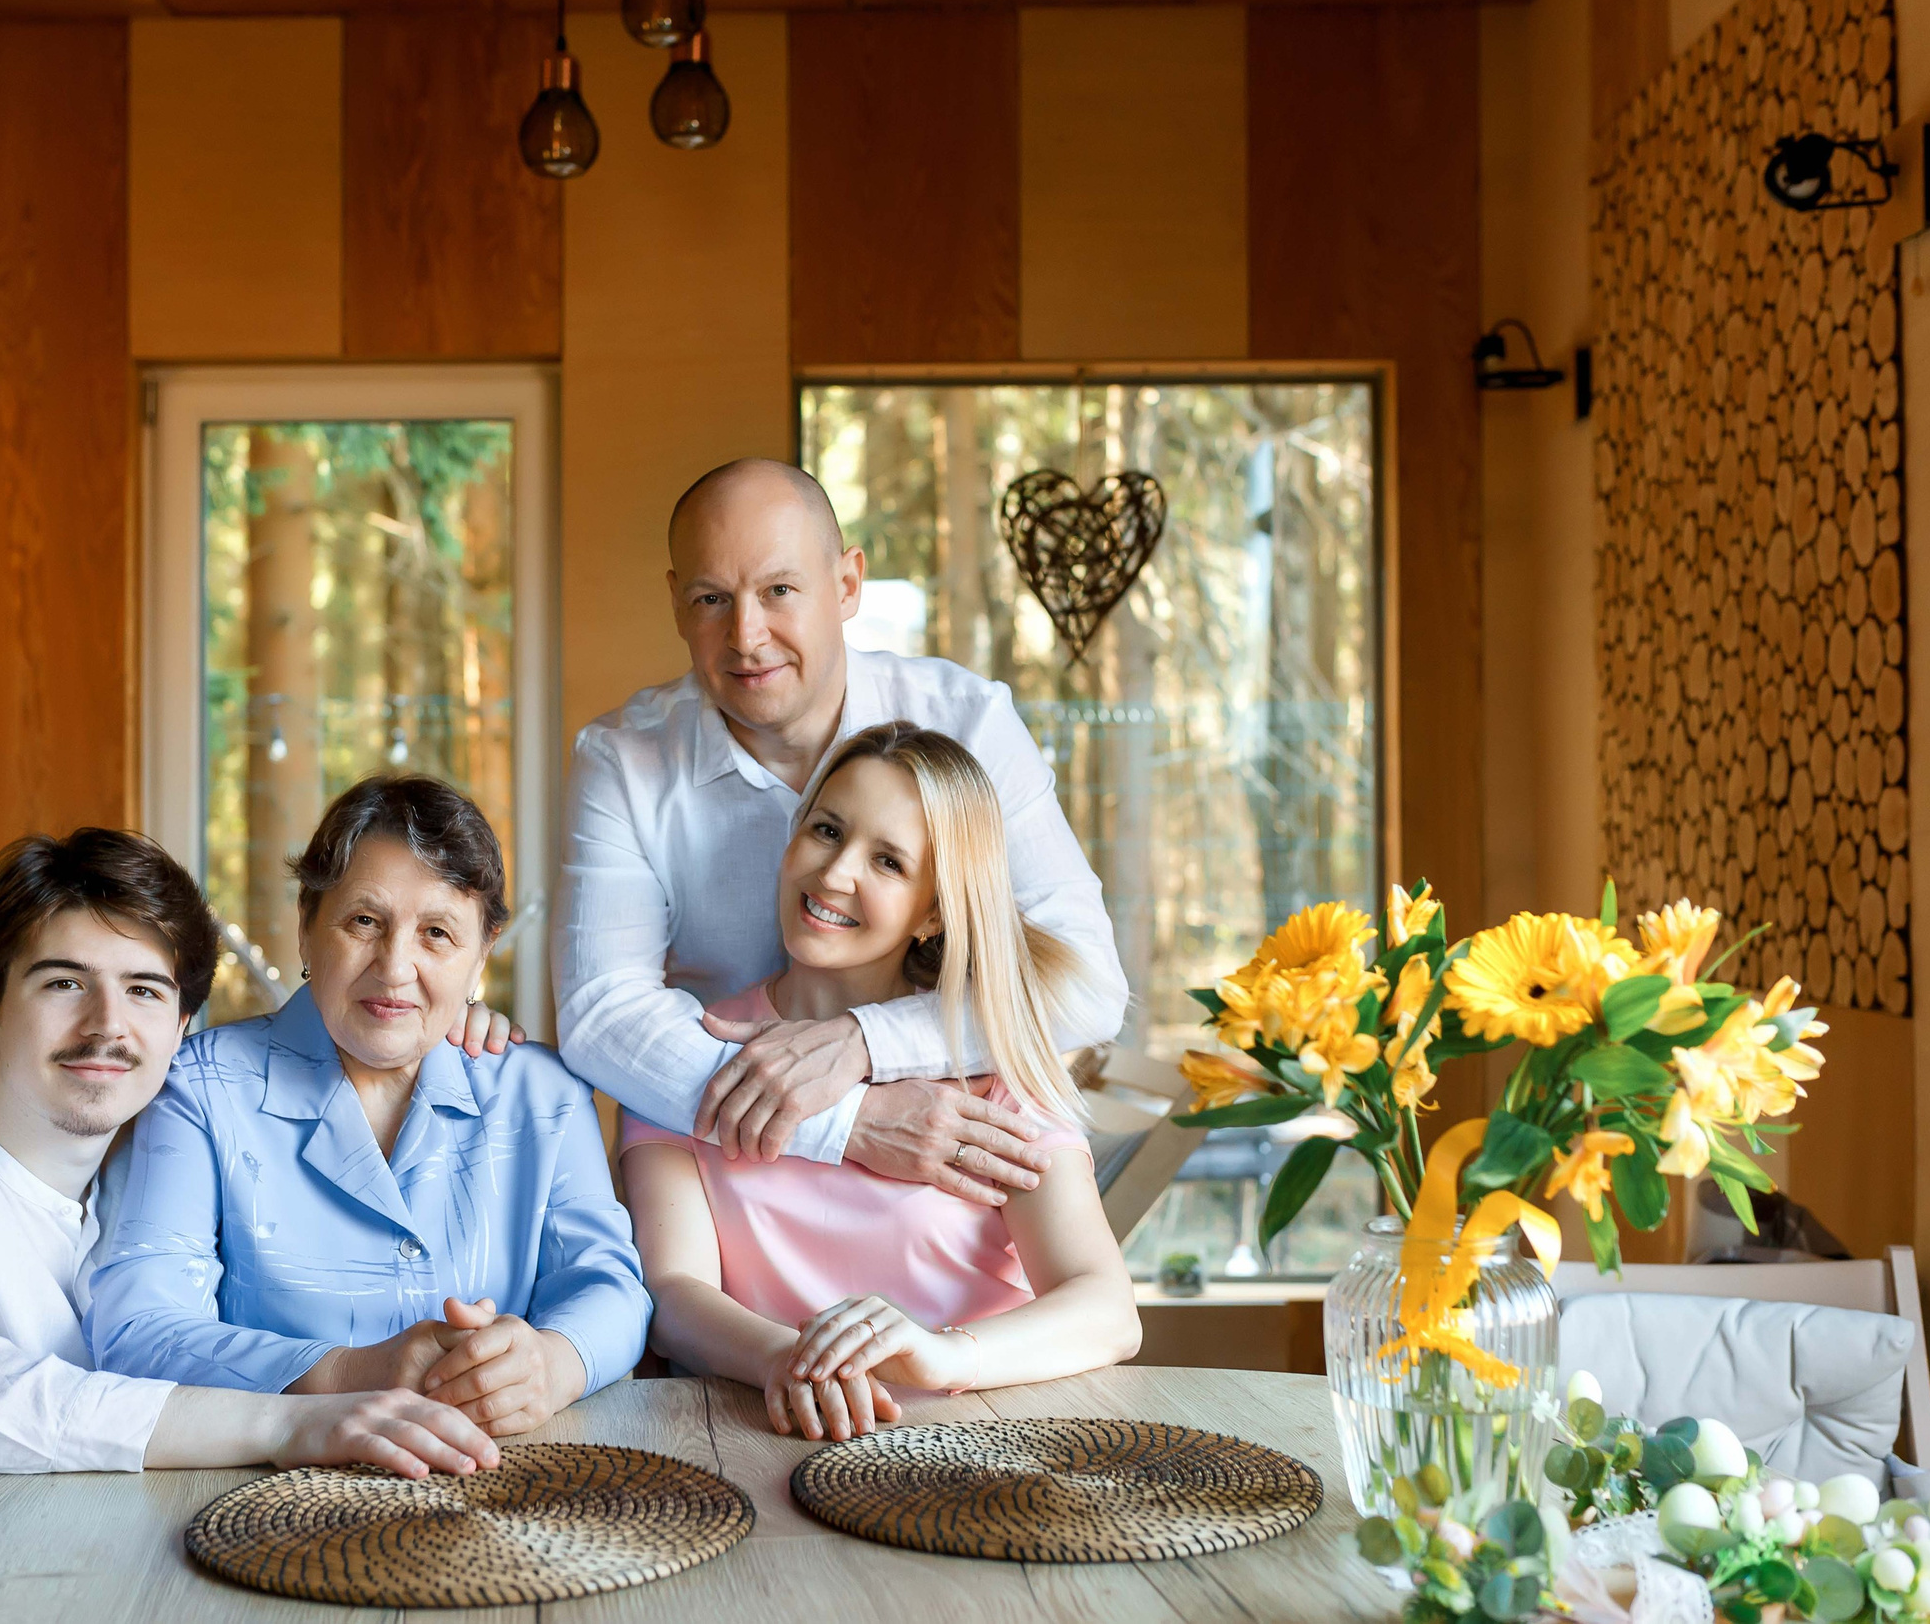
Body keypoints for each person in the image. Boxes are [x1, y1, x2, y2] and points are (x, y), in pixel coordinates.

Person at [0, 829, 497, 1508]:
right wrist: (287, 1420)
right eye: (64, 982)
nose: (107, 1026)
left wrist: (439, 1026)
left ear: (182, 1029)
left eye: (145, 991)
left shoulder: (137, 1211)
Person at [558, 457, 1131, 1206]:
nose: (746, 635)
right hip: (723, 1185)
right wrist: (850, 1116)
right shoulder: (623, 760)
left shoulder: (969, 722)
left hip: (941, 1165)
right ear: (675, 602)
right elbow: (602, 1013)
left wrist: (865, 1042)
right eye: (711, 598)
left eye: (779, 591)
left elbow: (1086, 980)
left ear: (848, 585)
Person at [622, 723, 1141, 1439]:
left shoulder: (993, 1061)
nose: (835, 874)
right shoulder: (686, 1050)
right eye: (827, 830)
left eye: (889, 861)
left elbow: (1108, 1308)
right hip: (765, 1437)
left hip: (989, 1445)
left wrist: (937, 1354)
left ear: (934, 911)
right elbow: (675, 1294)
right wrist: (792, 1361)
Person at [88, 776, 650, 1436]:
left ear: (482, 956)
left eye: (437, 933)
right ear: (306, 925)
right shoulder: (203, 1088)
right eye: (364, 920)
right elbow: (137, 1330)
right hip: (260, 1492)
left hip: (501, 1480)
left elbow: (613, 1286)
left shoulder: (542, 1093)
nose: (394, 965)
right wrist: (353, 1373)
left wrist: (550, 1365)